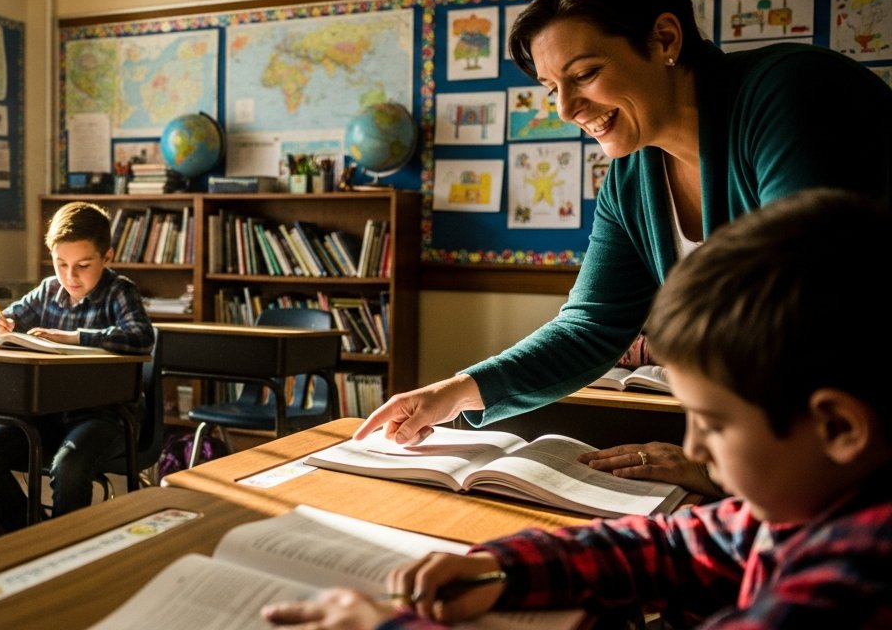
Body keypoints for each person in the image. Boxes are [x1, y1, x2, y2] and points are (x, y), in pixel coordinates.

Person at [357, 0, 892, 495]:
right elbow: (590, 326)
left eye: (585, 74)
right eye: (551, 89)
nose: (565, 109)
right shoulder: (631, 175)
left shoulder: (790, 94)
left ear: (665, 39)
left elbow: (807, 309)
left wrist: (714, 468)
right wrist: (452, 393)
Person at [263, 188, 892, 629]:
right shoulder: (794, 510)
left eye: (714, 423)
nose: (694, 450)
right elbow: (670, 546)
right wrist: (498, 568)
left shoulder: (859, 572)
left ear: (838, 427)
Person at [0, 201, 154, 532]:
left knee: (69, 467)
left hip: (106, 418)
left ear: (107, 257)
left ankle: (64, 545)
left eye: (83, 265)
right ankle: (30, 532)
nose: (70, 276)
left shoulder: (120, 292)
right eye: (60, 263)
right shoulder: (48, 290)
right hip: (49, 413)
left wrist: (74, 337)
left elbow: (141, 336)